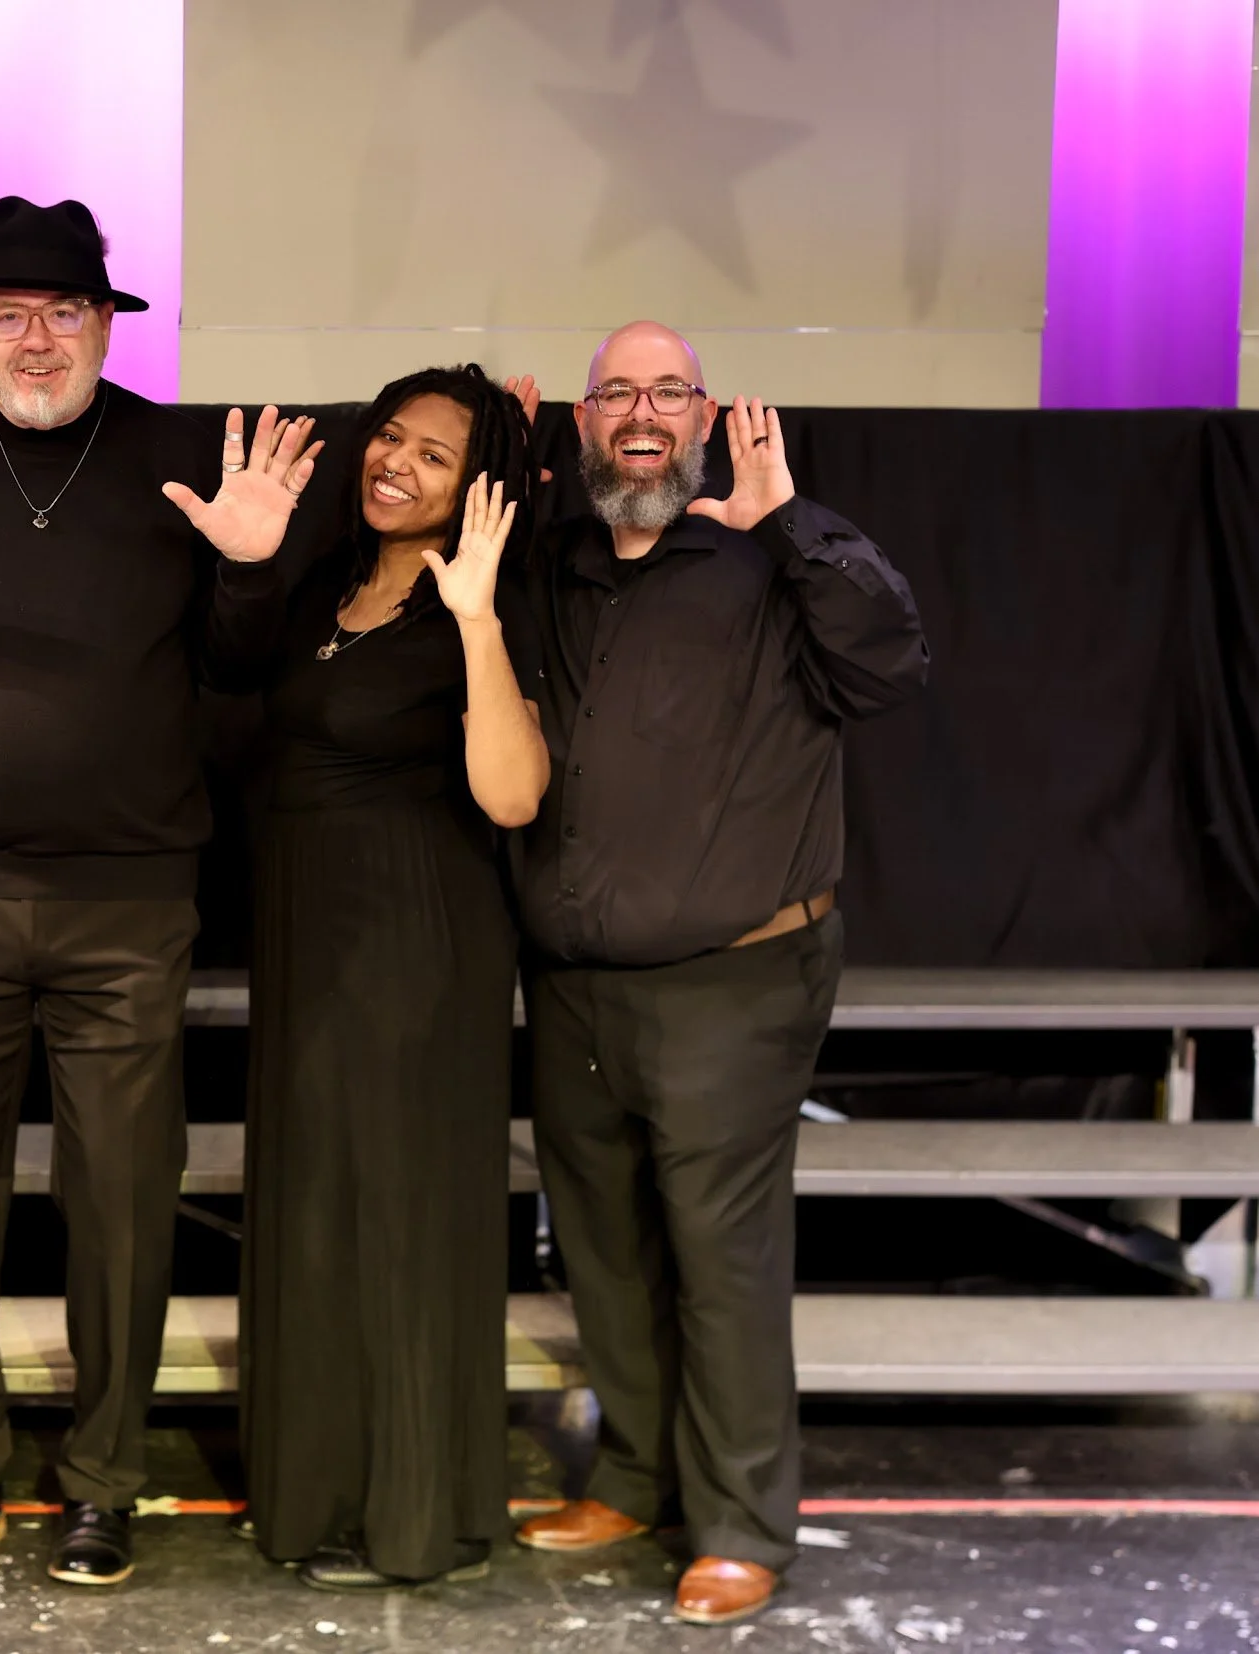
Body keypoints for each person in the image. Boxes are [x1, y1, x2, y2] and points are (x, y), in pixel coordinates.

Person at [0, 194, 322, 1588]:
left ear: (105, 324)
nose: (37, 340)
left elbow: (239, 668)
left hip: (129, 899)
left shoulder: (180, 456)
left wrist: (252, 568)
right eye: (10, 314)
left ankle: (102, 1480)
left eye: (65, 313)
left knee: (124, 1204)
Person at [509, 323, 927, 1625]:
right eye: (616, 393)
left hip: (733, 983)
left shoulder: (770, 559)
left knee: (720, 1257)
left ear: (703, 418)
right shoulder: (561, 564)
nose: (641, 412)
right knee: (605, 1248)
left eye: (667, 391)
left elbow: (890, 659)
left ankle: (740, 1519)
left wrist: (790, 522)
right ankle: (636, 1477)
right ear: (586, 422)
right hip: (575, 980)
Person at [234, 366, 550, 1593]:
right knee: (319, 1212)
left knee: (405, 1215)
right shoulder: (327, 581)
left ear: (478, 488)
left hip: (416, 942)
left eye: (434, 454)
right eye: (390, 437)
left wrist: (475, 617)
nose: (396, 463)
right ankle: (319, 1494)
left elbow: (513, 795)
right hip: (310, 934)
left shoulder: (486, 599)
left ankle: (415, 1515)